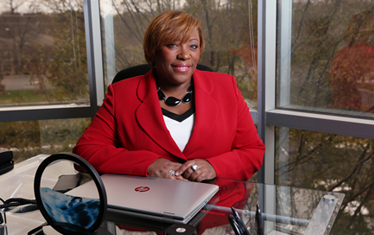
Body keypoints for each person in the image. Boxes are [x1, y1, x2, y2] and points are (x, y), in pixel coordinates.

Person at [73, 10, 265, 182]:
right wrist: (148, 164)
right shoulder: (121, 94)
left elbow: (253, 152)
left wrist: (215, 166)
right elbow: (86, 152)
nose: (184, 55)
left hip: (213, 209)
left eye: (192, 46)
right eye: (172, 45)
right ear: (153, 51)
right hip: (146, 207)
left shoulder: (226, 87)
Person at [329, 10, 374, 112]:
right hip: (363, 115)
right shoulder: (368, 55)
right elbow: (369, 91)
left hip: (341, 112)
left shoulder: (342, 53)